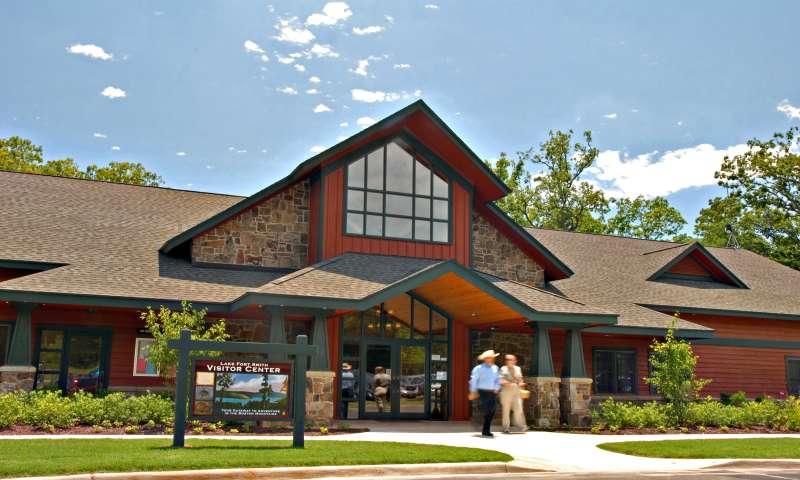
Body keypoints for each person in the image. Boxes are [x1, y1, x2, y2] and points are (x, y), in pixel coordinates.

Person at [469, 350, 500, 438]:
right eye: (490, 357)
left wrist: (497, 388)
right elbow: (473, 380)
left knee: (492, 410)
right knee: (488, 410)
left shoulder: (495, 368)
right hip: (483, 391)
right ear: (485, 359)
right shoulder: (478, 368)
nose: (491, 359)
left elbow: (498, 380)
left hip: (492, 392)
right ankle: (485, 430)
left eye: (492, 357)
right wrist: (473, 391)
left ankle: (486, 429)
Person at [499, 354, 528, 434]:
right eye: (508, 360)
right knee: (506, 410)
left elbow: (520, 379)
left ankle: (522, 426)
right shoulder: (503, 369)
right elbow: (501, 380)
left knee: (519, 409)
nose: (510, 361)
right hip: (506, 392)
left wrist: (522, 384)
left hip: (516, 391)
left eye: (512, 360)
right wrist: (509, 383)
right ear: (506, 361)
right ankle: (506, 428)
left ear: (515, 361)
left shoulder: (518, 369)